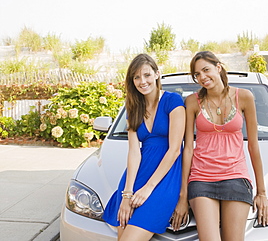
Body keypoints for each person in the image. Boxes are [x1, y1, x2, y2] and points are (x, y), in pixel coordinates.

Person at [172, 51, 268, 241]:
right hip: (201, 178)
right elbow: (188, 149)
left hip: (235, 177)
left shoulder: (245, 97)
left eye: (206, 70)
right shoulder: (192, 102)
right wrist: (183, 197)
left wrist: (262, 192)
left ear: (218, 67)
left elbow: (253, 147)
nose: (202, 77)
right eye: (197, 74)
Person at [103, 53, 185, 241]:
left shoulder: (173, 101)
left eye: (147, 75)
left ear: (157, 74)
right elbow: (133, 152)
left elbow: (174, 150)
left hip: (164, 178)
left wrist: (148, 188)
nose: (142, 81)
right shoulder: (133, 107)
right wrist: (127, 194)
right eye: (137, 77)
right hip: (137, 175)